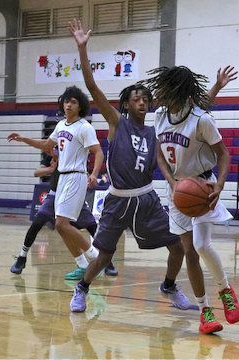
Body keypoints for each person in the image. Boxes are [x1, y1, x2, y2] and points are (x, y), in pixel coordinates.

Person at [67, 18, 194, 320]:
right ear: (126, 105)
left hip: (147, 200)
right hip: (118, 199)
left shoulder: (154, 133)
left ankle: (169, 286)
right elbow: (91, 86)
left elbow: (163, 165)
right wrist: (83, 50)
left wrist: (176, 186)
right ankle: (82, 288)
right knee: (104, 257)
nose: (142, 102)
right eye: (136, 99)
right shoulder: (116, 122)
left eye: (145, 99)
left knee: (178, 248)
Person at [140, 64, 239, 333]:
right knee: (189, 252)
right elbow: (160, 156)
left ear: (179, 92)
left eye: (164, 89)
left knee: (201, 245)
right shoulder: (160, 116)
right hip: (177, 192)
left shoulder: (202, 120)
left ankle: (226, 291)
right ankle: (205, 312)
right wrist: (172, 183)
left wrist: (219, 185)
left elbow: (224, 155)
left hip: (202, 187)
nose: (158, 93)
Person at [7, 85, 105, 280]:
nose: (68, 105)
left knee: (62, 224)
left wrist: (94, 174)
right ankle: (83, 265)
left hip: (76, 176)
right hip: (62, 179)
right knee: (61, 226)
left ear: (80, 106)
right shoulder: (60, 126)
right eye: (66, 101)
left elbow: (99, 152)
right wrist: (24, 139)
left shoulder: (85, 127)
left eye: (73, 102)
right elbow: (46, 145)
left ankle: (97, 259)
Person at [10, 148, 117, 276]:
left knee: (92, 227)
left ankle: (106, 262)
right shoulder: (53, 151)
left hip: (74, 193)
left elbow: (86, 172)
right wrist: (49, 170)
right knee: (37, 222)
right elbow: (37, 172)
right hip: (55, 195)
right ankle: (22, 258)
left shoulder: (78, 151)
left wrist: (91, 177)